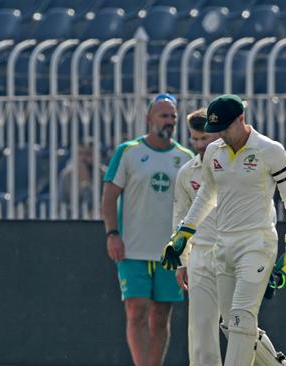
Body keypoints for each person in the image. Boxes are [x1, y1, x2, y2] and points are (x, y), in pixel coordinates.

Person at [163, 94, 286, 366]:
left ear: (241, 118)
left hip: (257, 243)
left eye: (226, 128)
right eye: (218, 131)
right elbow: (207, 195)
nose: (222, 136)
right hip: (223, 245)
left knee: (241, 317)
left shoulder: (269, 149)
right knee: (231, 324)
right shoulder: (215, 152)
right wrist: (184, 232)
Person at [102, 93, 194, 366]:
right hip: (133, 248)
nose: (169, 121)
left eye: (173, 117)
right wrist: (112, 233)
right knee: (136, 309)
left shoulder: (185, 157)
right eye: (163, 115)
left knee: (161, 314)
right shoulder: (129, 152)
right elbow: (109, 195)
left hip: (169, 253)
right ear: (149, 118)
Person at [172, 108, 221, 365]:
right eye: (195, 139)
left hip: (235, 252)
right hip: (201, 255)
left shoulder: (239, 168)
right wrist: (182, 261)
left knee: (242, 327)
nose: (200, 145)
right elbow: (180, 217)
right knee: (202, 332)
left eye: (205, 138)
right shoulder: (187, 173)